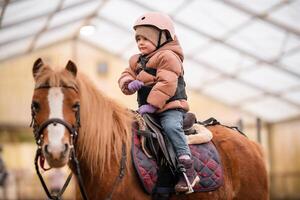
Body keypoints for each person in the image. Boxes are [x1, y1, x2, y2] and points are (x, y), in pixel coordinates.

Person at [118, 12, 199, 194]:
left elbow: (167, 83)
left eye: (146, 38)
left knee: (170, 127)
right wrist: (128, 84)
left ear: (163, 37)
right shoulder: (136, 60)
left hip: (170, 107)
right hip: (146, 110)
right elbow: (125, 74)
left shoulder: (168, 56)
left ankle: (188, 169)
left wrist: (153, 105)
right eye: (138, 38)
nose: (140, 42)